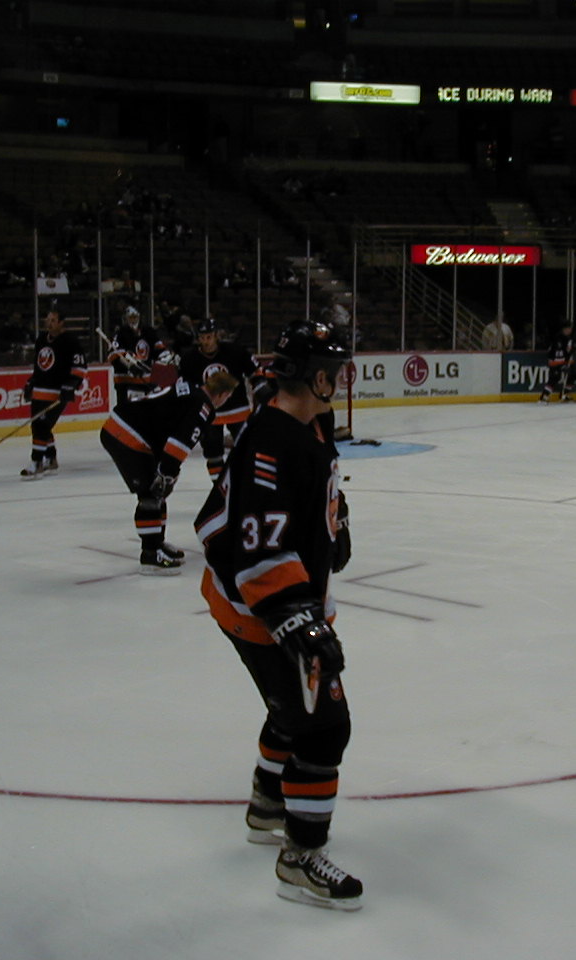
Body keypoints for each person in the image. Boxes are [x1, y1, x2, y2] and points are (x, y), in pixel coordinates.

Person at [194, 319, 361, 911]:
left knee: (290, 709)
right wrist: (298, 624)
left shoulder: (308, 420)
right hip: (258, 608)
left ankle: (268, 805)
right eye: (333, 372)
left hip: (273, 598)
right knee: (325, 726)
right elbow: (258, 549)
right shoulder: (270, 442)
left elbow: (316, 481)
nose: (339, 381)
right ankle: (300, 857)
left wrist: (337, 515)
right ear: (316, 378)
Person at [100, 369, 237, 573]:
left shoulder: (192, 390)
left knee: (158, 490)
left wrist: (166, 473)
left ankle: (157, 544)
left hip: (129, 428)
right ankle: (150, 554)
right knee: (150, 493)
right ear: (222, 394)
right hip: (126, 434)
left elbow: (166, 426)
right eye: (228, 396)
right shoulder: (202, 407)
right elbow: (180, 442)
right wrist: (167, 472)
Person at [178, 318, 260, 479]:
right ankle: (219, 486)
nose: (205, 341)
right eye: (202, 337)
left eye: (209, 337)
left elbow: (255, 371)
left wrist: (261, 388)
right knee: (213, 453)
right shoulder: (189, 358)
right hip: (209, 413)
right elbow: (184, 386)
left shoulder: (234, 351)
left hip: (237, 411)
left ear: (216, 335)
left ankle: (245, 483)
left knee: (248, 450)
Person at [21, 306, 86, 478]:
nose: (48, 323)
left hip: (57, 392)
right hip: (39, 391)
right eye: (47, 320)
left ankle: (36, 462)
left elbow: (80, 367)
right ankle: (50, 458)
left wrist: (71, 385)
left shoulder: (71, 341)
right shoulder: (41, 339)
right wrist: (31, 382)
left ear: (61, 323)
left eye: (53, 320)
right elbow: (39, 366)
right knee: (39, 425)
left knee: (42, 425)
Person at [107, 304, 168, 406]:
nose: (133, 320)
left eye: (135, 317)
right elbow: (113, 356)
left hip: (145, 381)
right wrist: (129, 366)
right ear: (125, 319)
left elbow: (160, 350)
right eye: (130, 317)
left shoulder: (148, 331)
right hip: (125, 382)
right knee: (126, 411)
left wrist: (165, 360)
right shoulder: (120, 334)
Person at [538, 320, 576, 403]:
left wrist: (569, 358)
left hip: (565, 362)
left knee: (574, 374)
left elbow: (570, 351)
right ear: (563, 329)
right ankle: (544, 396)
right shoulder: (557, 338)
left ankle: (565, 393)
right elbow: (553, 353)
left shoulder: (570, 338)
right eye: (567, 328)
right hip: (555, 361)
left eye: (570, 328)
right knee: (555, 376)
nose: (569, 330)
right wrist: (562, 364)